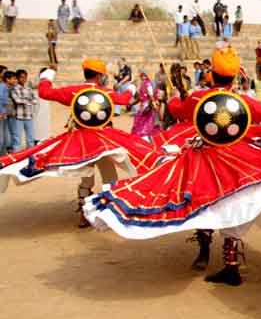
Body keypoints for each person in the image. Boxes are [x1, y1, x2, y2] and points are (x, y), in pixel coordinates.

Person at [84, 44, 261, 286]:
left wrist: (175, 99)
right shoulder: (241, 100)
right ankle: (230, 264)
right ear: (235, 76)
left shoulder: (198, 97)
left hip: (202, 158)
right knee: (231, 202)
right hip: (237, 159)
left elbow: (179, 111)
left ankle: (205, 251)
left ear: (211, 75)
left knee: (200, 199)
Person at [0, 60, 158, 228]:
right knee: (109, 175)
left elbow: (45, 92)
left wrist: (48, 74)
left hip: (81, 140)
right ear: (99, 76)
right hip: (104, 139)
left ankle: (84, 211)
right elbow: (124, 99)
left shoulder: (74, 91)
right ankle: (107, 211)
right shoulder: (106, 92)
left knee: (86, 176)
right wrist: (132, 87)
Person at [9, 69, 37, 152]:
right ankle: (16, 159)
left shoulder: (29, 88)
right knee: (17, 138)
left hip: (29, 116)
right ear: (17, 78)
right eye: (21, 77)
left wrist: (24, 100)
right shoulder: (14, 89)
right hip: (18, 117)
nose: (23, 79)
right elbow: (17, 101)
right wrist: (28, 100)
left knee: (30, 138)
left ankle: (31, 156)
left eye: (25, 77)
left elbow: (35, 100)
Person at [131, 71, 159, 137]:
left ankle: (145, 133)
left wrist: (153, 102)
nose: (142, 77)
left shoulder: (148, 84)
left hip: (147, 105)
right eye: (142, 76)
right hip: (143, 104)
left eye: (144, 76)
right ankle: (139, 132)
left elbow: (151, 94)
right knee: (139, 119)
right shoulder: (143, 84)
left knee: (146, 120)